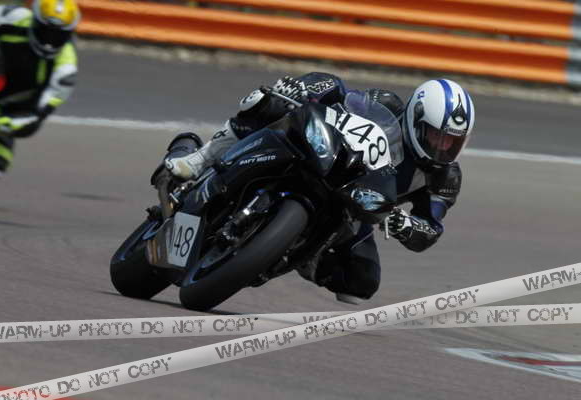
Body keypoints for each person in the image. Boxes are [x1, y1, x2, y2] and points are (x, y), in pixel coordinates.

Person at [165, 72, 475, 304]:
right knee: (267, 102)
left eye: (452, 141)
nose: (443, 147)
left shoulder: (445, 178)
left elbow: (431, 226)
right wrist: (304, 90)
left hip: (355, 206)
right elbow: (340, 97)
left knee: (361, 283)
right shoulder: (385, 104)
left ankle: (304, 255)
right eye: (436, 136)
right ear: (415, 119)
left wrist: (408, 226)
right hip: (326, 157)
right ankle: (202, 157)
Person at [0, 0, 80, 178]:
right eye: (45, 32)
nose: (49, 41)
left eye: (57, 36)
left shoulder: (66, 68)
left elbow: (39, 113)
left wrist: (12, 122)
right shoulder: (13, 17)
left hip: (18, 100)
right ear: (34, 22)